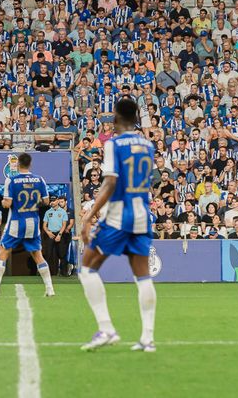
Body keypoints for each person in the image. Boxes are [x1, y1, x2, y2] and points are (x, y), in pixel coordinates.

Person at [79, 98, 158, 352]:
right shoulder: (147, 144)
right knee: (143, 275)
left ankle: (106, 329)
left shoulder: (114, 144)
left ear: (115, 119)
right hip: (142, 214)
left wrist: (89, 215)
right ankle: (147, 338)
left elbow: (111, 182)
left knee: (87, 268)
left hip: (118, 216)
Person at [0, 153, 56, 298]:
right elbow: (46, 201)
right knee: (37, 255)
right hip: (33, 222)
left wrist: (2, 202)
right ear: (30, 164)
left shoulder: (11, 180)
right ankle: (50, 289)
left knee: (3, 252)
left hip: (16, 222)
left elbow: (7, 204)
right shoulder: (40, 179)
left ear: (18, 164)